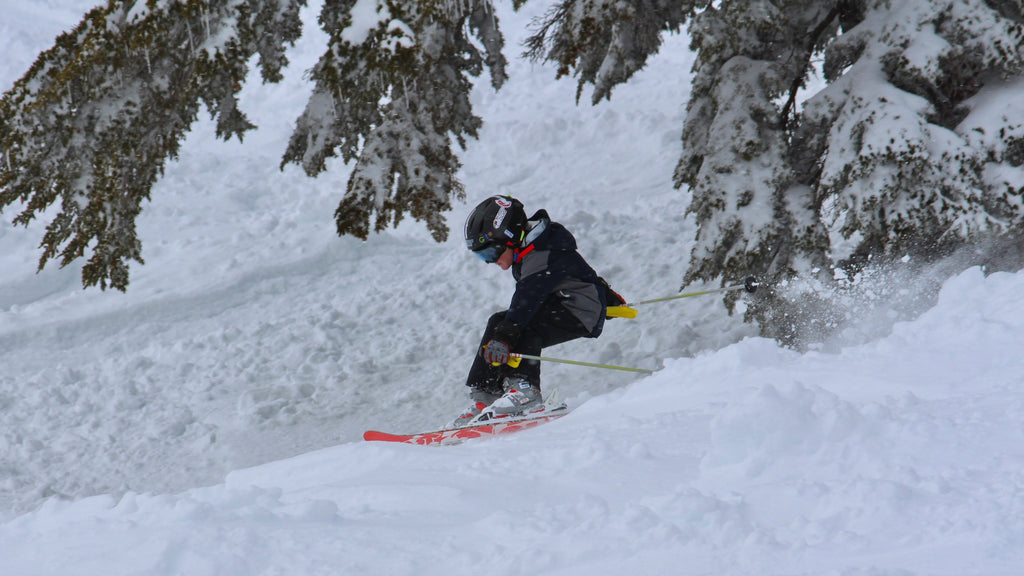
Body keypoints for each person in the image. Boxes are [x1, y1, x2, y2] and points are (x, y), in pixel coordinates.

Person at [451, 195, 625, 427]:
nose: (490, 262)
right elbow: (574, 272)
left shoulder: (541, 252)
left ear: (510, 238)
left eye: (490, 254)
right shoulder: (535, 247)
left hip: (580, 311)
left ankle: (526, 392)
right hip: (564, 304)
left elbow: (527, 300)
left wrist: (504, 337)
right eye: (482, 257)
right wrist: (606, 296)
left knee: (523, 326)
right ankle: (486, 395)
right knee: (498, 321)